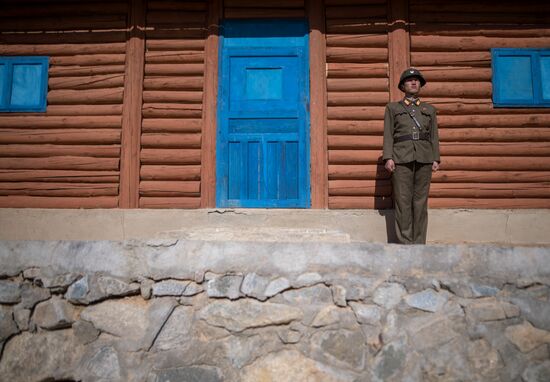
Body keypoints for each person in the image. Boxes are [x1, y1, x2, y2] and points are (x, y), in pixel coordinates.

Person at [383, 68, 440, 244]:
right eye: (410, 80)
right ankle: (405, 243)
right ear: (402, 86)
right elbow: (388, 134)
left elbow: (434, 136)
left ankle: (419, 242)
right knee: (403, 201)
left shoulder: (429, 109)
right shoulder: (393, 108)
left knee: (420, 202)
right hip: (401, 157)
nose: (414, 82)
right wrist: (388, 157)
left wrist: (435, 158)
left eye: (417, 80)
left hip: (424, 157)